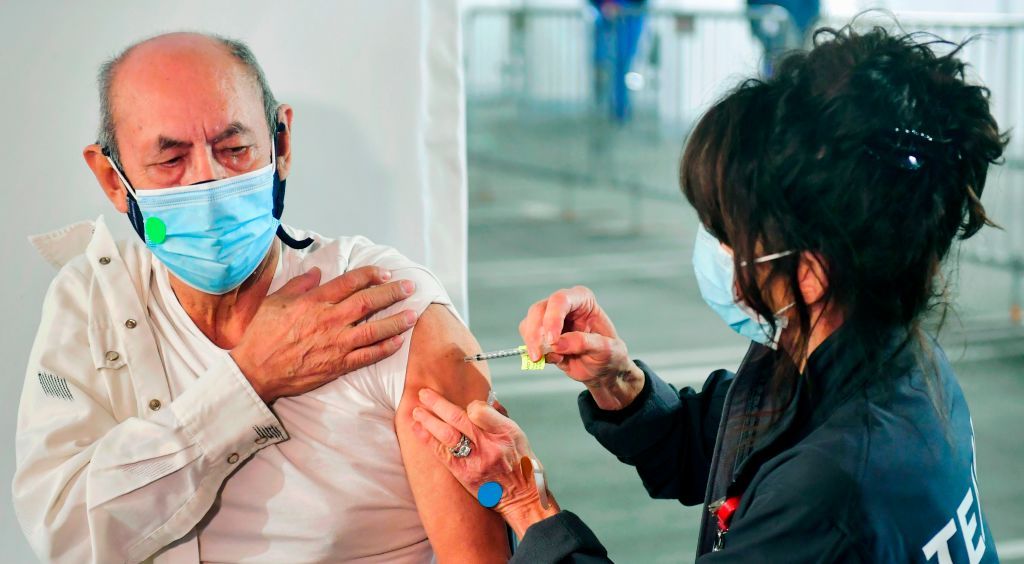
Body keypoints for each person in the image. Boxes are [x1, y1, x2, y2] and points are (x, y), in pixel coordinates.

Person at [412, 25, 1005, 562]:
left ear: (811, 271)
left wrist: (522, 501)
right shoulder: (866, 355)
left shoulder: (836, 489)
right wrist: (621, 386)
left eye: (728, 233)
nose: (715, 248)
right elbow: (732, 447)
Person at [13, 33, 509, 563]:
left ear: (282, 143)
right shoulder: (94, 304)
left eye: (234, 148)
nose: (208, 179)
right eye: (171, 159)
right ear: (113, 180)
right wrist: (247, 380)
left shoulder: (385, 308)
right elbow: (63, 530)